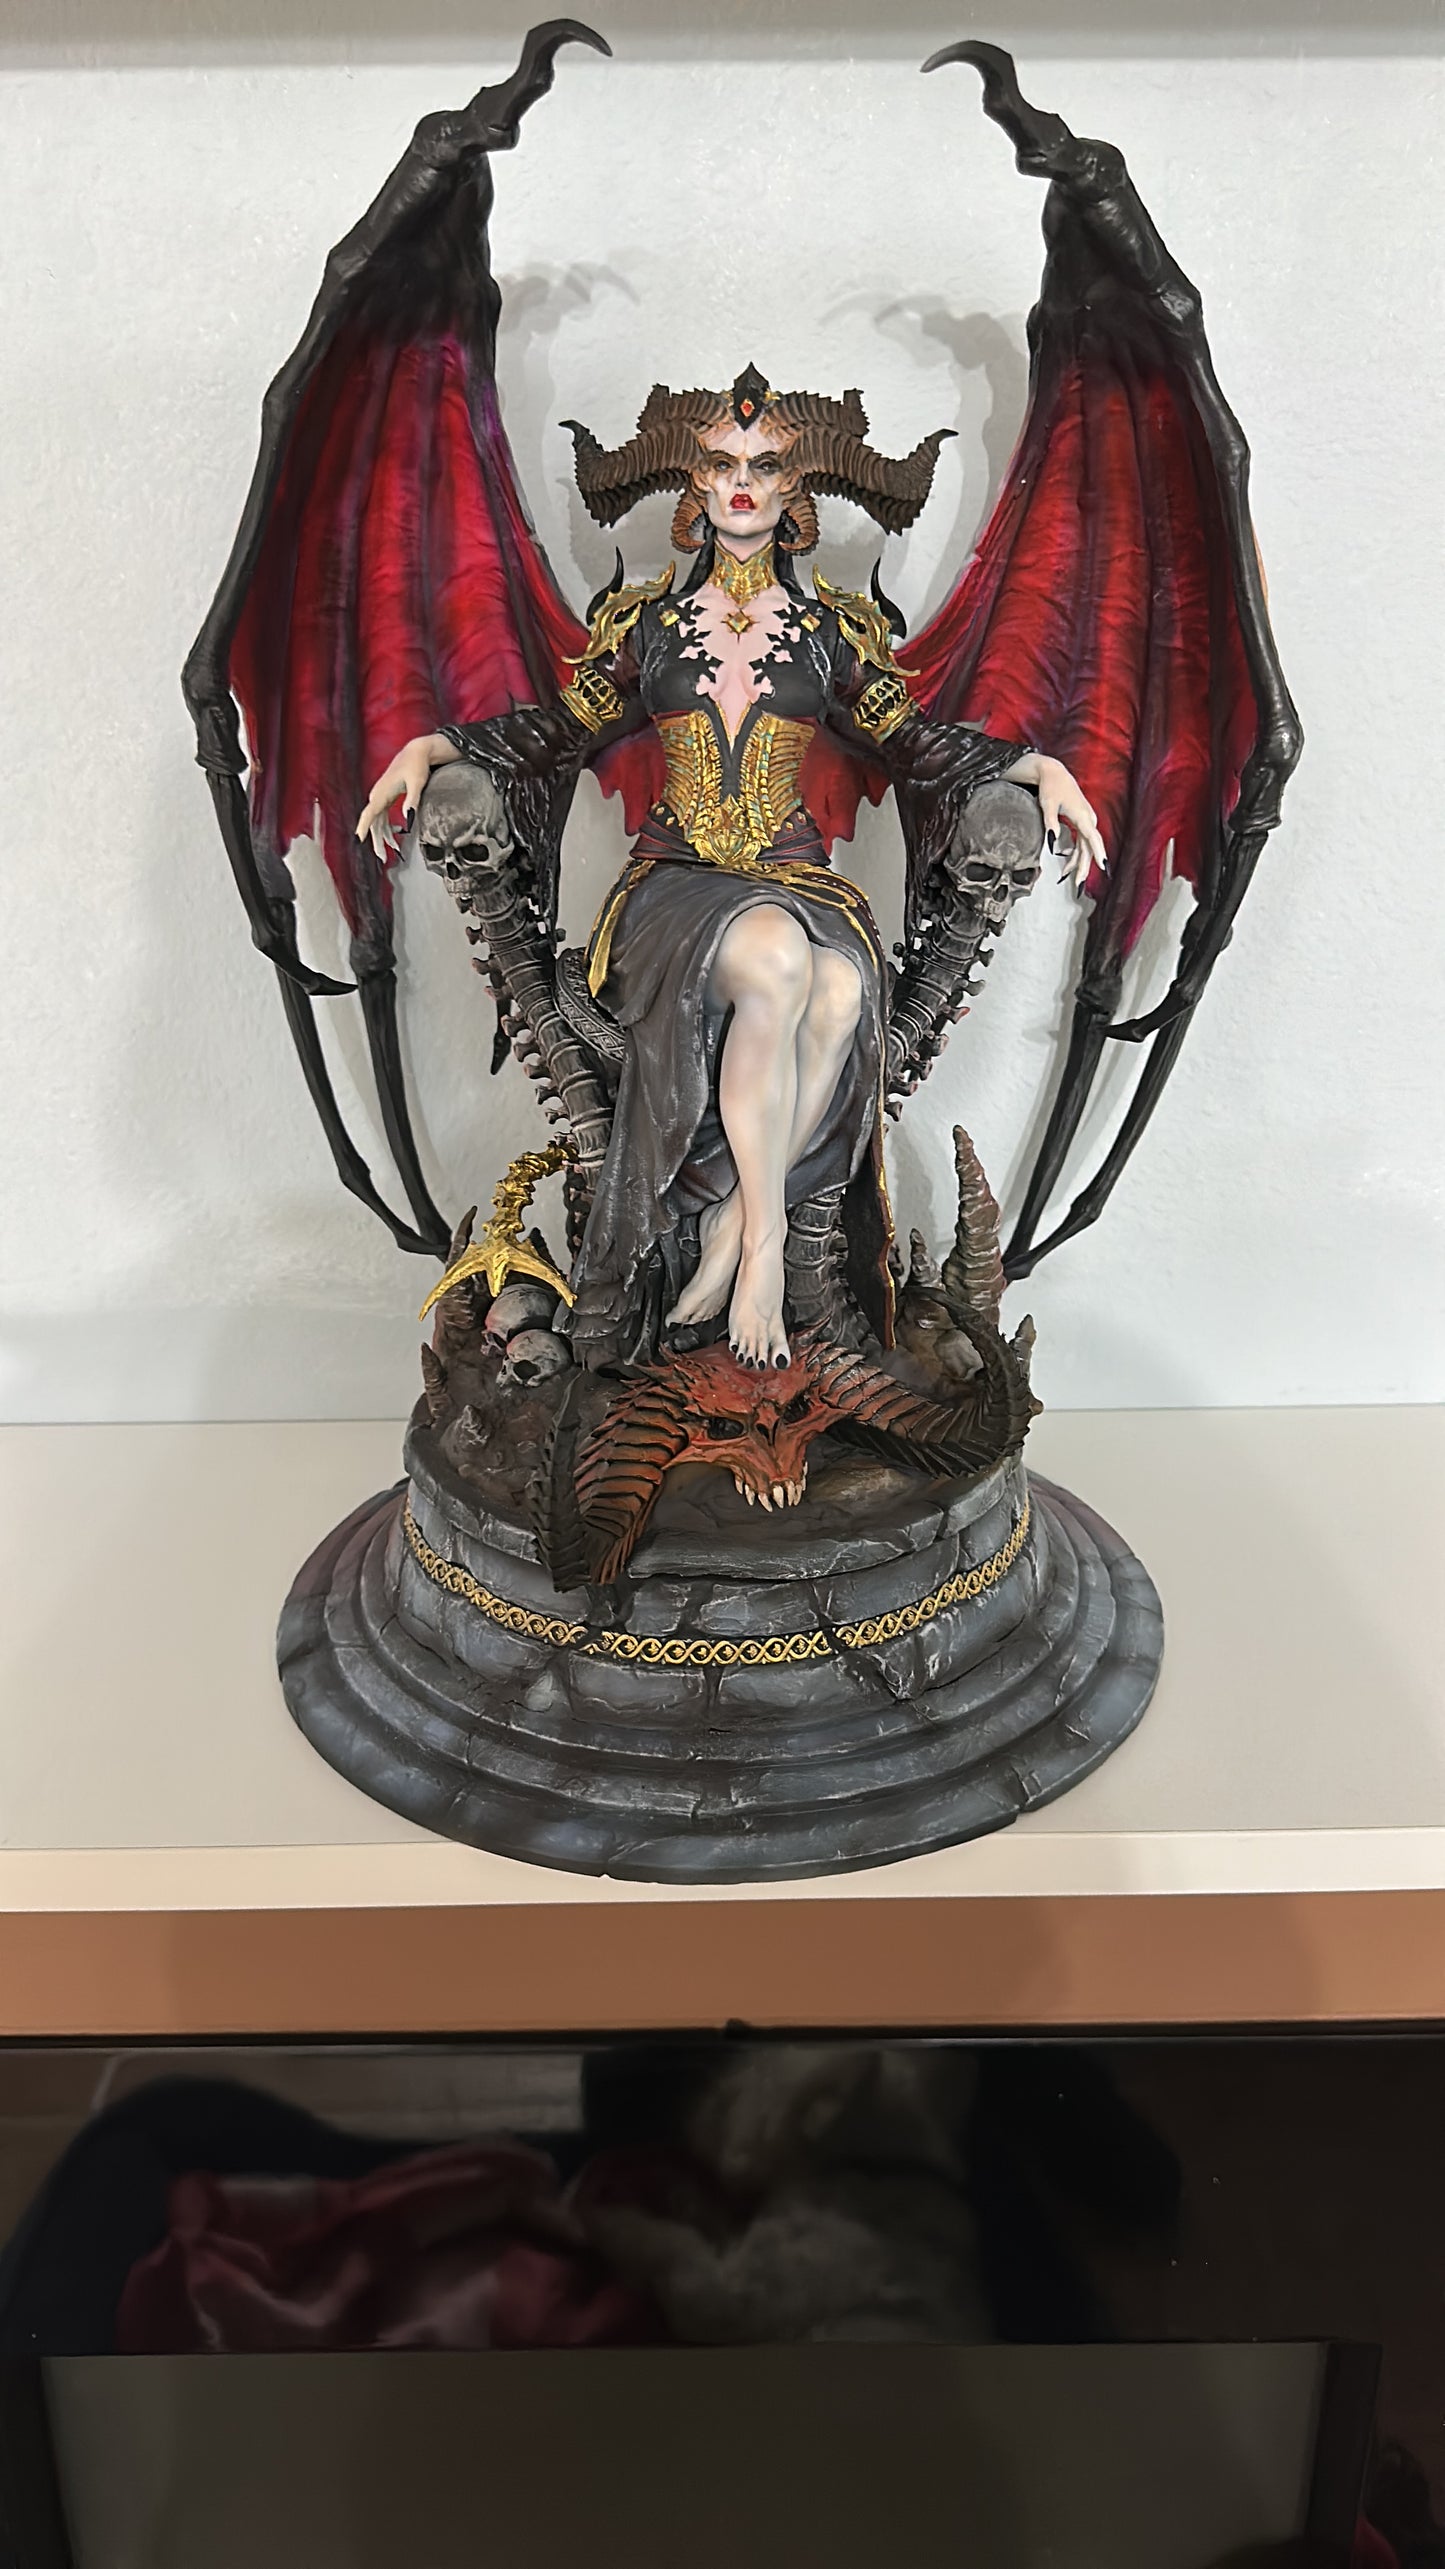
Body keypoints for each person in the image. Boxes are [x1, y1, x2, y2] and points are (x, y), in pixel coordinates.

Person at [357, 370, 1104, 1372]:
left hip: (801, 880)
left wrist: (1036, 765)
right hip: (675, 884)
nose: (742, 481)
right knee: (782, 961)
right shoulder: (648, 627)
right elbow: (554, 733)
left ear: (793, 489)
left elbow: (915, 745)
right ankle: (757, 1247)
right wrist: (434, 745)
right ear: (695, 484)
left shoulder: (831, 633)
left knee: (839, 988)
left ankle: (727, 1230)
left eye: (764, 466)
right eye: (720, 464)